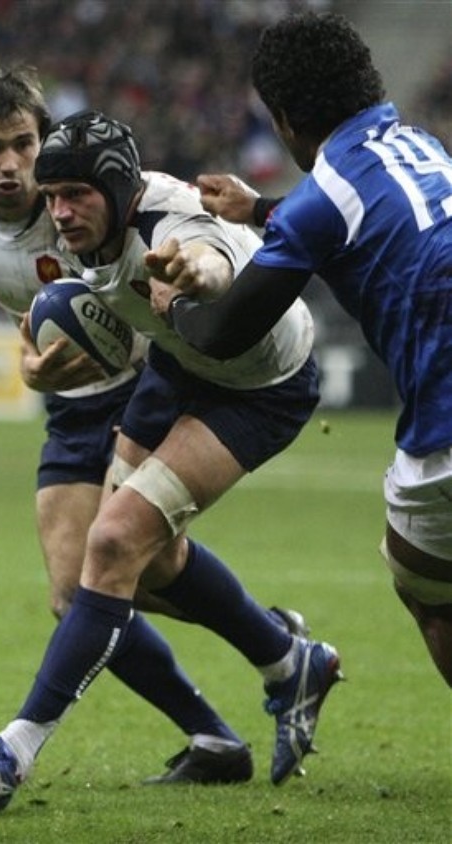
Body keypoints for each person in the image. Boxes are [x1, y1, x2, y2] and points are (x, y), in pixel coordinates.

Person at [0, 61, 313, 791]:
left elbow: (194, 251)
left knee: (111, 557)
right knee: (97, 583)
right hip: (91, 399)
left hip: (159, 378)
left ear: (46, 141)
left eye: (24, 145)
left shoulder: (88, 202)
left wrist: (195, 273)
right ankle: (260, 684)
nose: (12, 166)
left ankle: (19, 750)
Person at [155, 11, 452, 685]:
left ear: (284, 120)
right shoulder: (418, 144)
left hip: (444, 429)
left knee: (429, 590)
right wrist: (260, 209)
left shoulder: (323, 200)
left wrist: (173, 306)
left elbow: (225, 333)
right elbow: (347, 212)